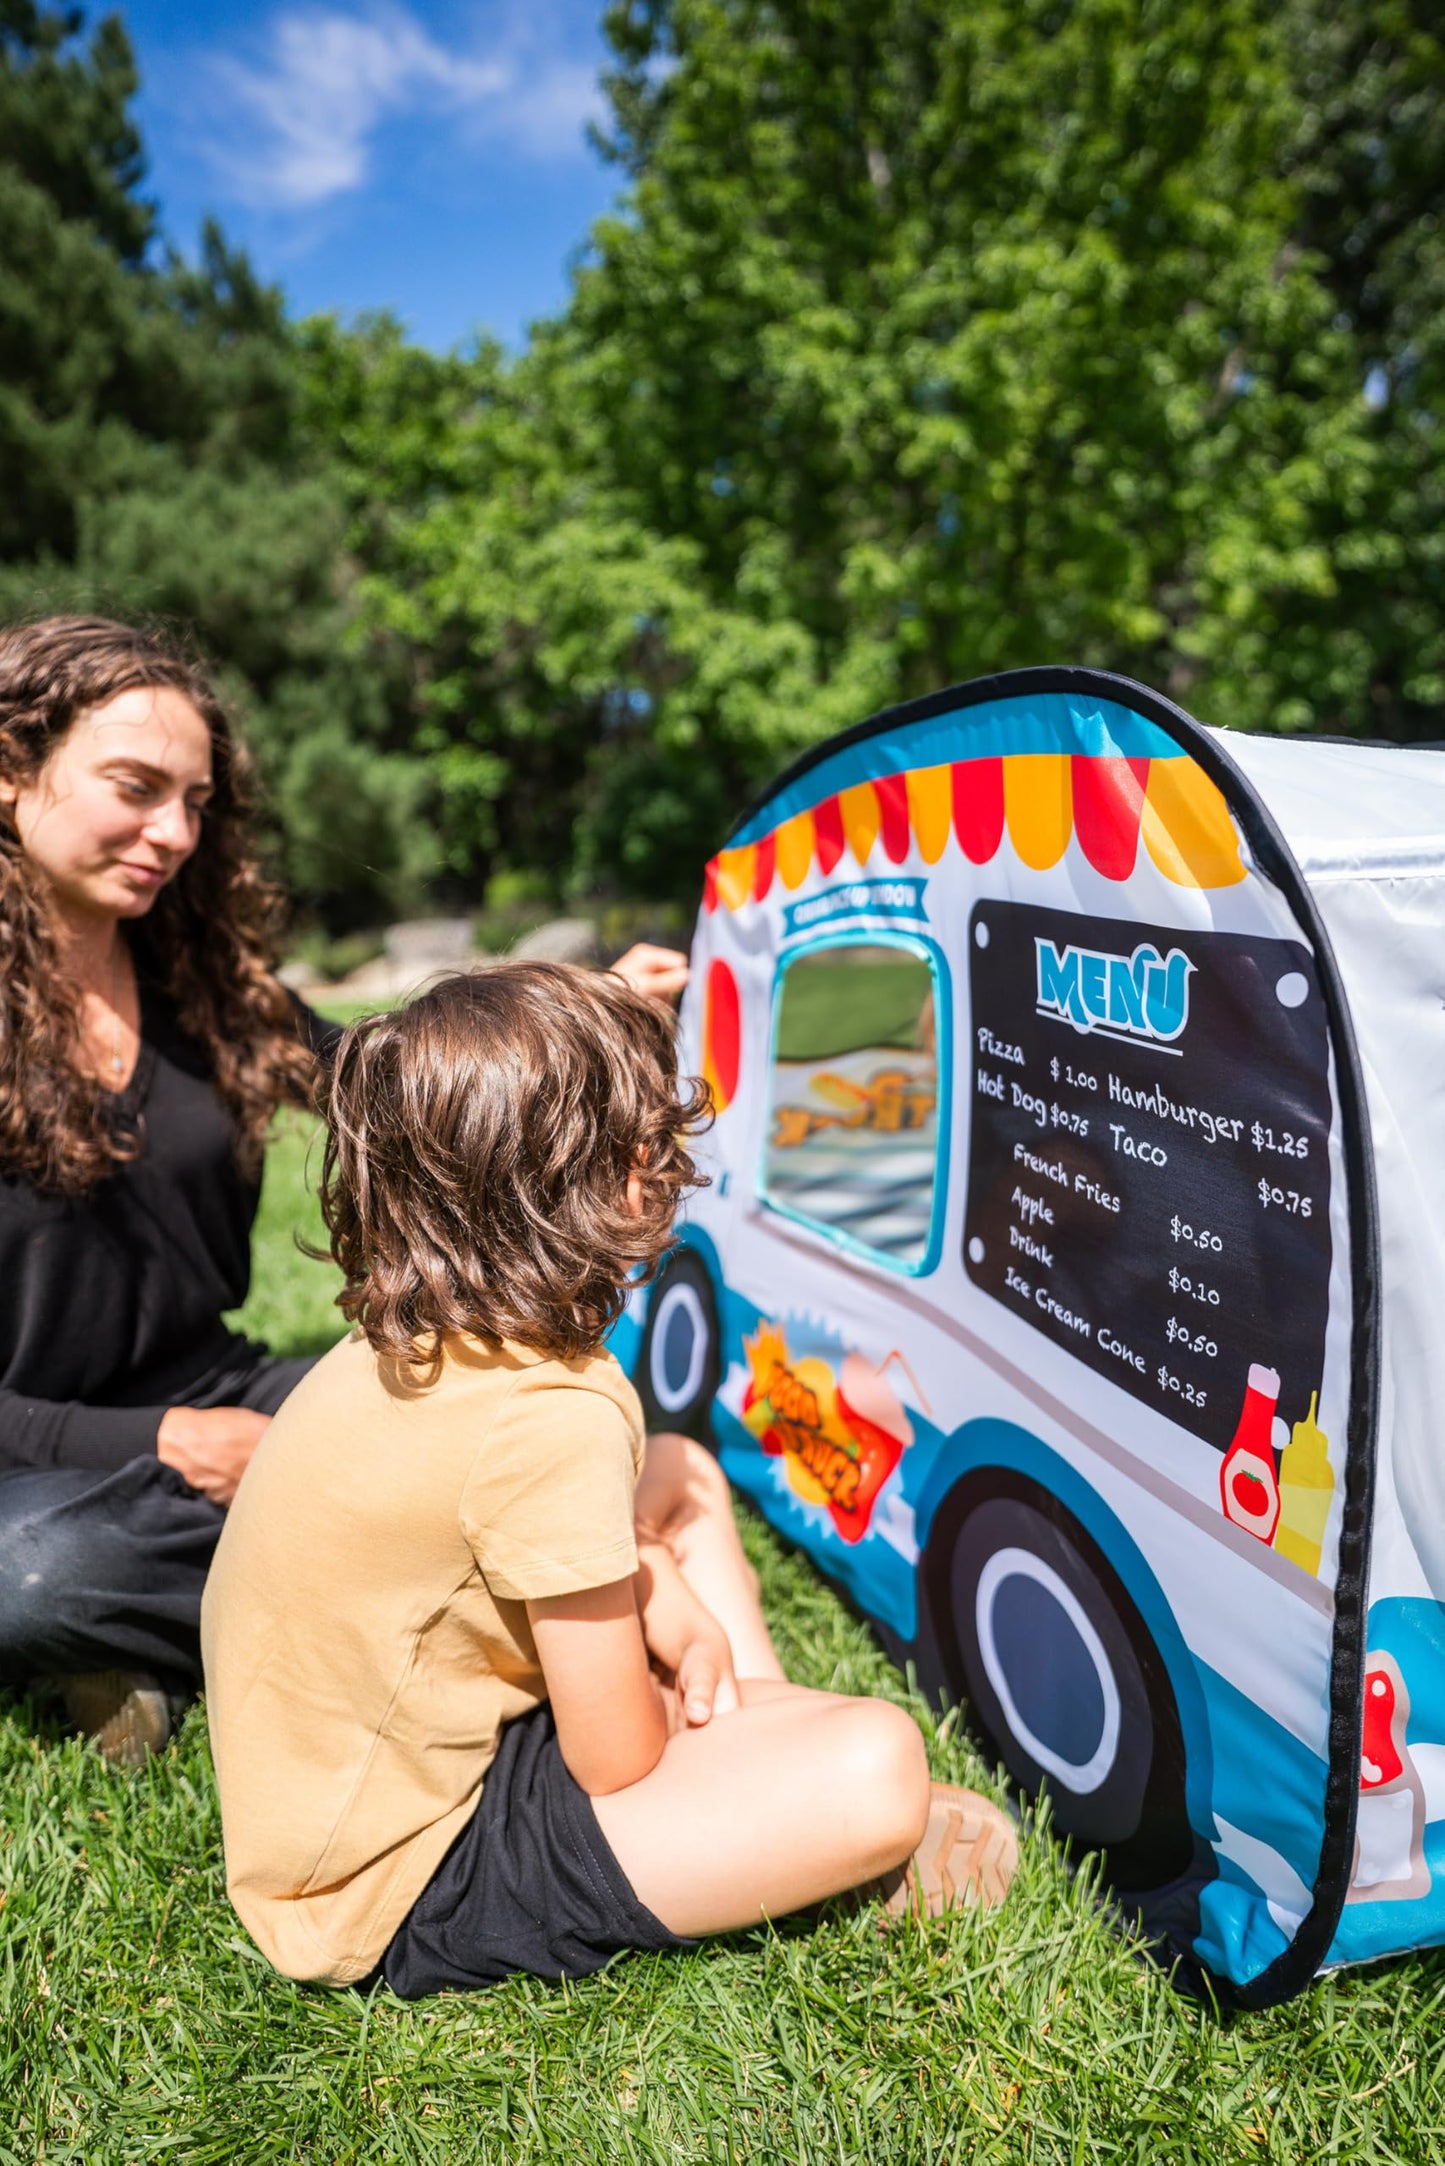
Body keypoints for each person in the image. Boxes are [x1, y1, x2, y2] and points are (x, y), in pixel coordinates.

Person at [201, 964, 1018, 1995]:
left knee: (677, 1474)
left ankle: (758, 1751)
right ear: (605, 1180)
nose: (661, 1157)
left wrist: (657, 1595)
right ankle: (782, 1800)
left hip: (337, 1791)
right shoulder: (552, 1414)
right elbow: (615, 1758)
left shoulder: (415, 1332)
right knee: (879, 1763)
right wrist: (665, 1638)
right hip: (392, 1881)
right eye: (642, 1141)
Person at [0, 615, 689, 1764]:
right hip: (29, 1458)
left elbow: (396, 1083)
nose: (172, 831)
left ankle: (220, 1614)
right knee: (28, 1574)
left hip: (225, 1385)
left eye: (196, 800)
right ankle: (368, 1599)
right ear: (12, 769)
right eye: (135, 787)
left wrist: (583, 1009)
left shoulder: (203, 984)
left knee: (494, 1411)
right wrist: (170, 1444)